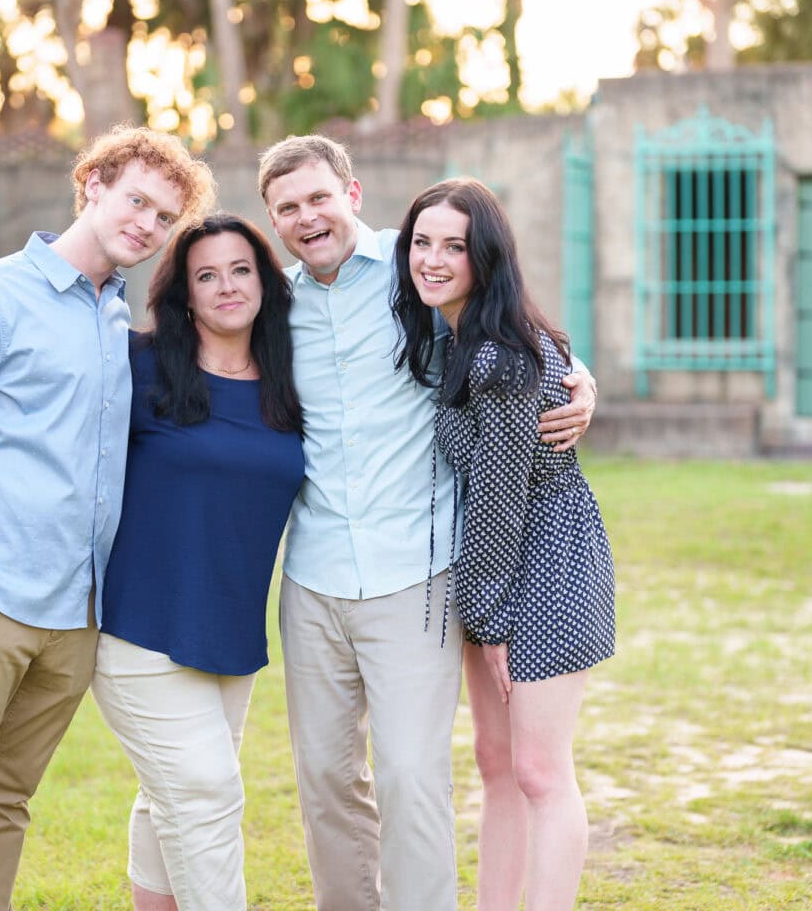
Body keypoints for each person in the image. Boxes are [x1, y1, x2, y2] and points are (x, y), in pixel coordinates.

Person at [256, 135, 598, 911]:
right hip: (312, 576)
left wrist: (580, 380)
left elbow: (515, 335)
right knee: (325, 780)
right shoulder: (271, 307)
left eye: (318, 197)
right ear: (272, 220)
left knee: (413, 776)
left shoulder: (417, 272)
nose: (307, 218)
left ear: (352, 193)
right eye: (287, 208)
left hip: (415, 572)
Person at [0, 127, 215, 911]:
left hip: (76, 618)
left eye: (164, 216)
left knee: (5, 800)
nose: (146, 223)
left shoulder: (115, 317)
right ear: (94, 183)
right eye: (137, 199)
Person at [392, 178, 615, 911]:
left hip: (546, 561)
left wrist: (488, 622)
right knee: (495, 762)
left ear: (484, 257)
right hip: (504, 564)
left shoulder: (496, 357)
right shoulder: (465, 335)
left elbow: (498, 499)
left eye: (453, 246)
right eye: (421, 242)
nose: (432, 259)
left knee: (542, 772)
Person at [91, 213, 306, 911]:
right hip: (138, 627)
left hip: (230, 633)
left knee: (173, 797)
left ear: (266, 282)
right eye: (205, 276)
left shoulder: (291, 377)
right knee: (207, 794)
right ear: (184, 295)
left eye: (240, 270)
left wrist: (570, 371)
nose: (225, 287)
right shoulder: (138, 365)